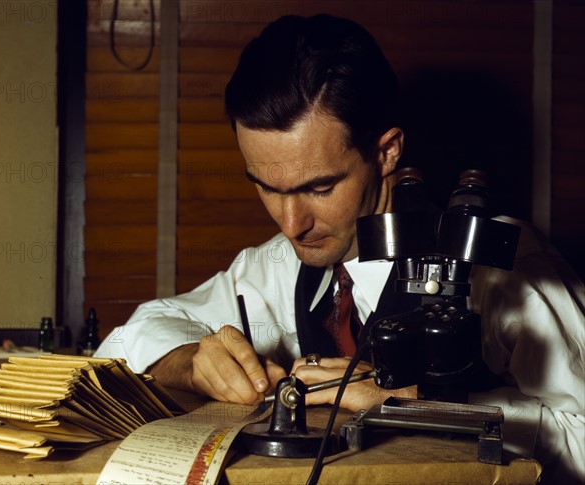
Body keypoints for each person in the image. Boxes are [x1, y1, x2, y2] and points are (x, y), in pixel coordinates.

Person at [95, 14, 584, 484]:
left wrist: (420, 402)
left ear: (387, 151)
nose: (292, 224)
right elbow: (128, 337)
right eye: (267, 187)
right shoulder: (277, 265)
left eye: (320, 187)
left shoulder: (506, 267)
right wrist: (190, 362)